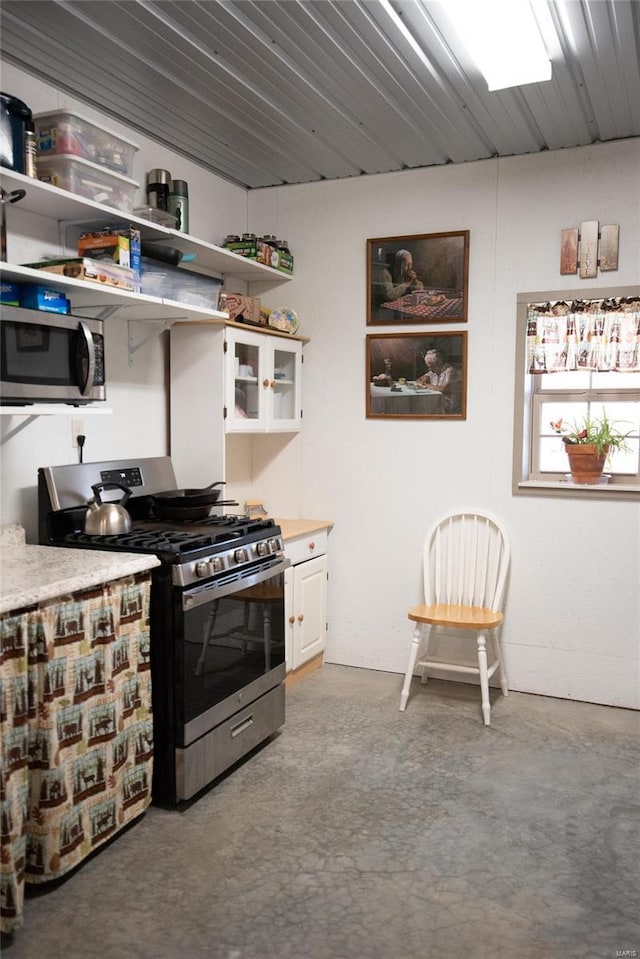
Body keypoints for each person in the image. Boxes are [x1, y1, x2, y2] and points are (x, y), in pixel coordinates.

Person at [415, 348, 462, 413]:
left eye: (431, 366)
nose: (429, 369)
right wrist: (423, 380)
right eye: (427, 366)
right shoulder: (433, 371)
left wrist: (425, 385)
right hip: (438, 402)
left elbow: (442, 389)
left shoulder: (450, 371)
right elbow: (419, 379)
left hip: (449, 406)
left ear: (439, 363)